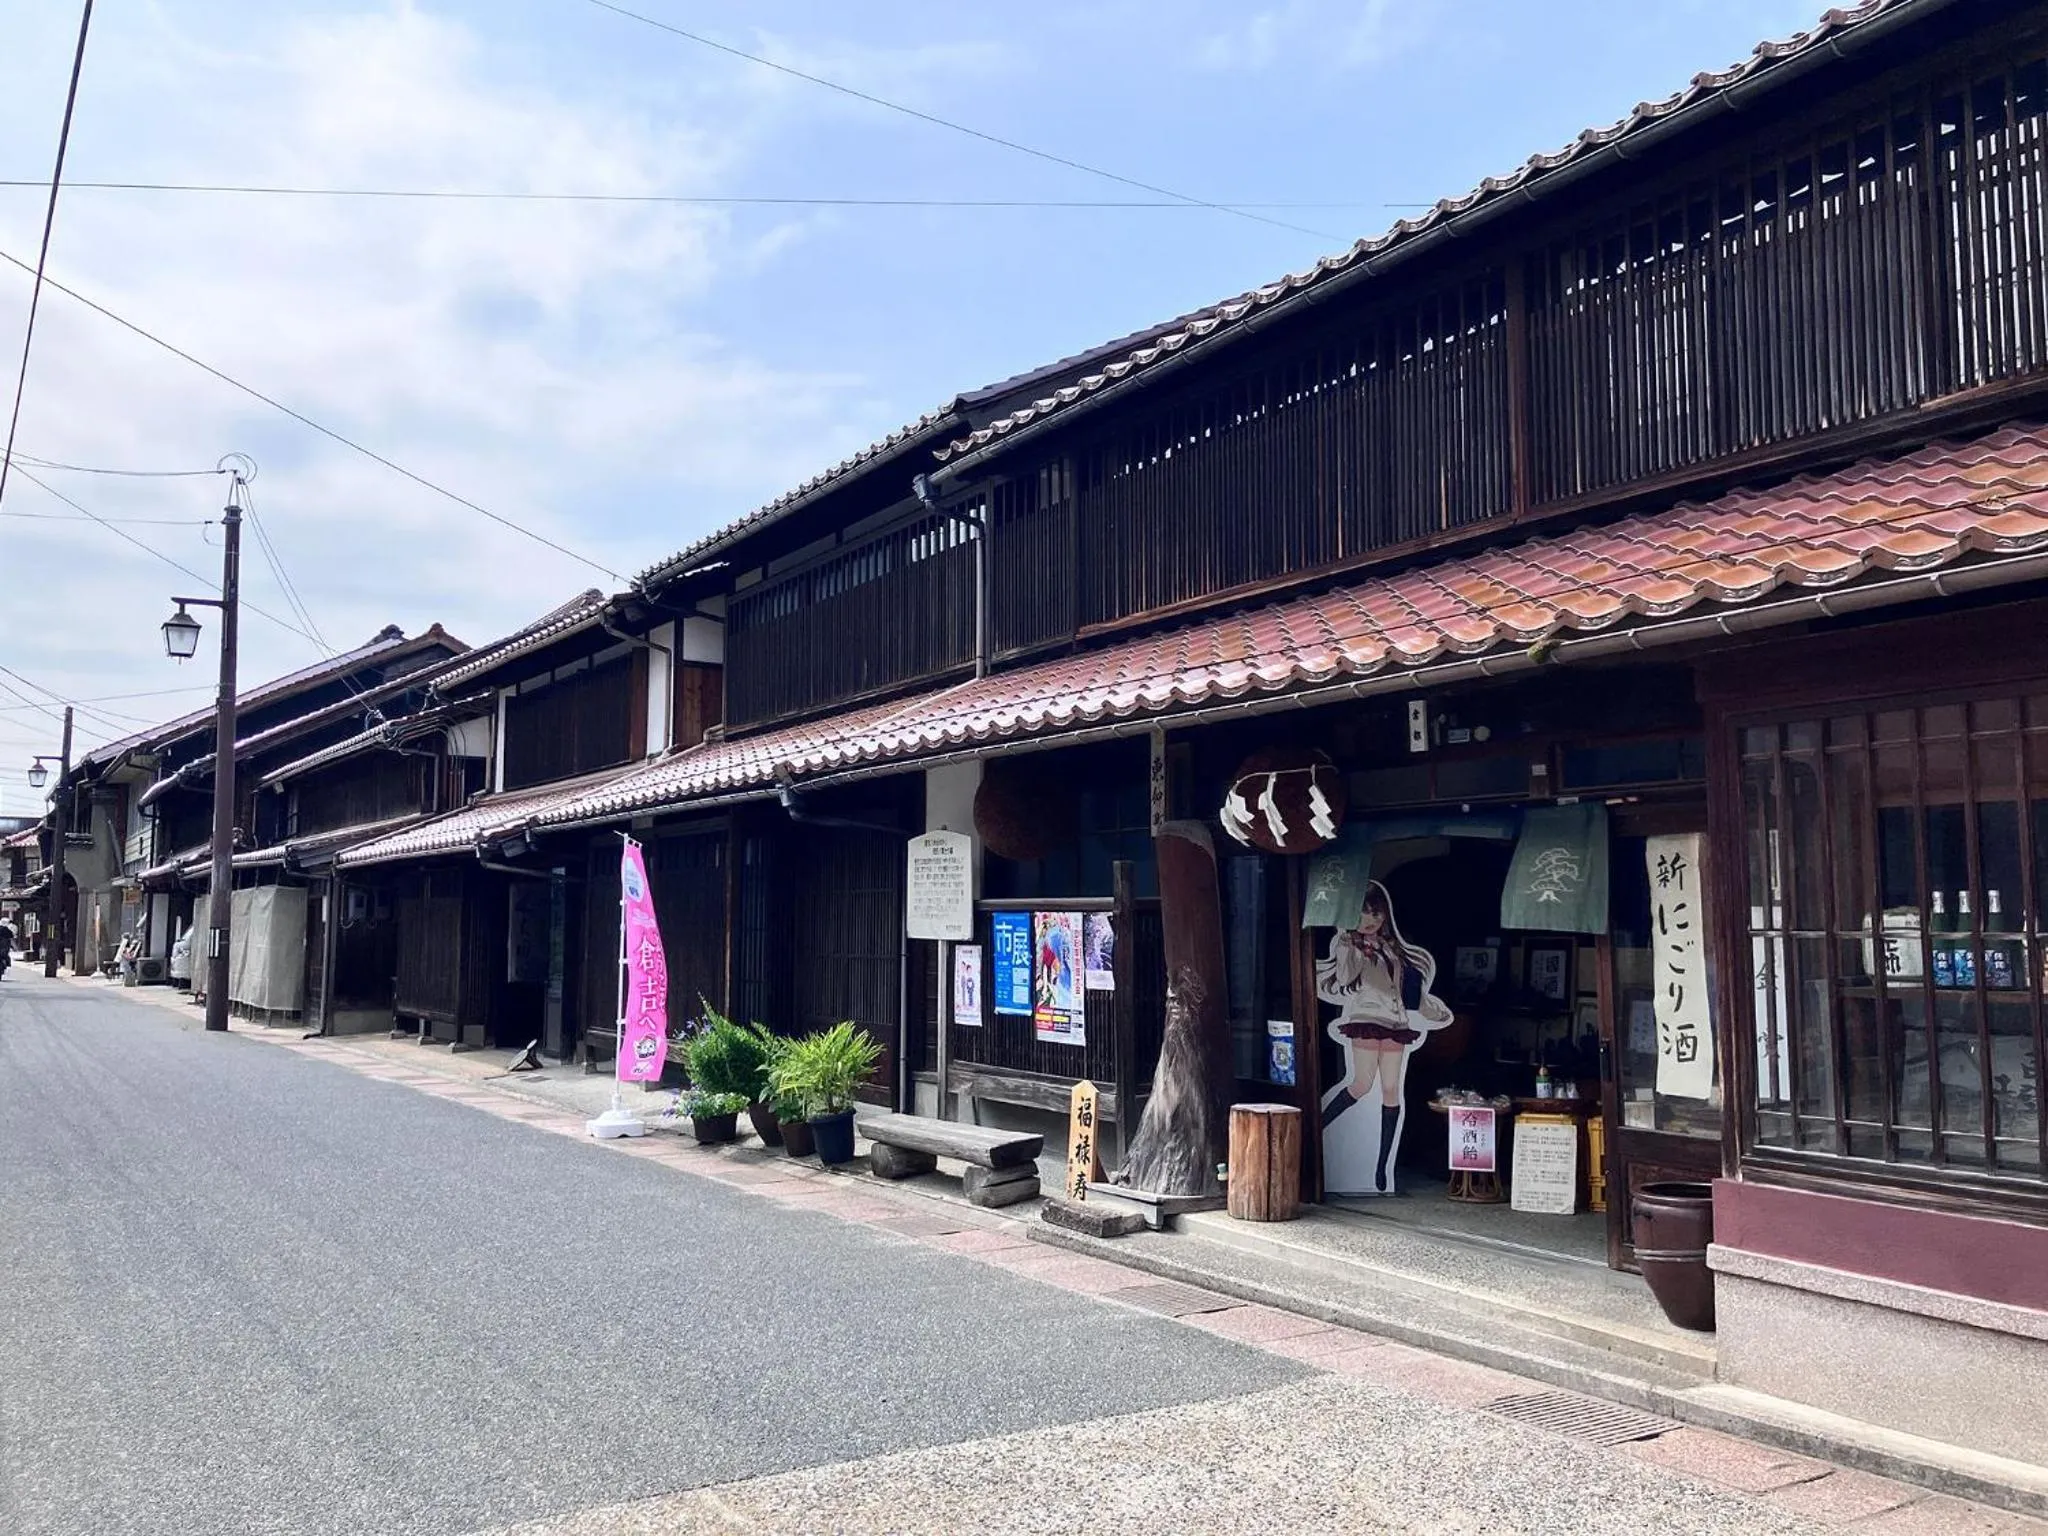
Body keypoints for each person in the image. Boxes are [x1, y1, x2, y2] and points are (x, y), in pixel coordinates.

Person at [1315, 880, 1452, 1194]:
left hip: (1395, 1021)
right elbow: (1346, 976)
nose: (1371, 919)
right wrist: (1352, 946)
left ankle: (1382, 1167)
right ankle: (1315, 1131)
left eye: (1376, 912)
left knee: (1391, 1090)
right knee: (1362, 1084)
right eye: (1363, 912)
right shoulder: (1348, 944)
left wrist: (1433, 1010)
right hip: (1365, 1018)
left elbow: (1407, 991)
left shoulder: (1392, 947)